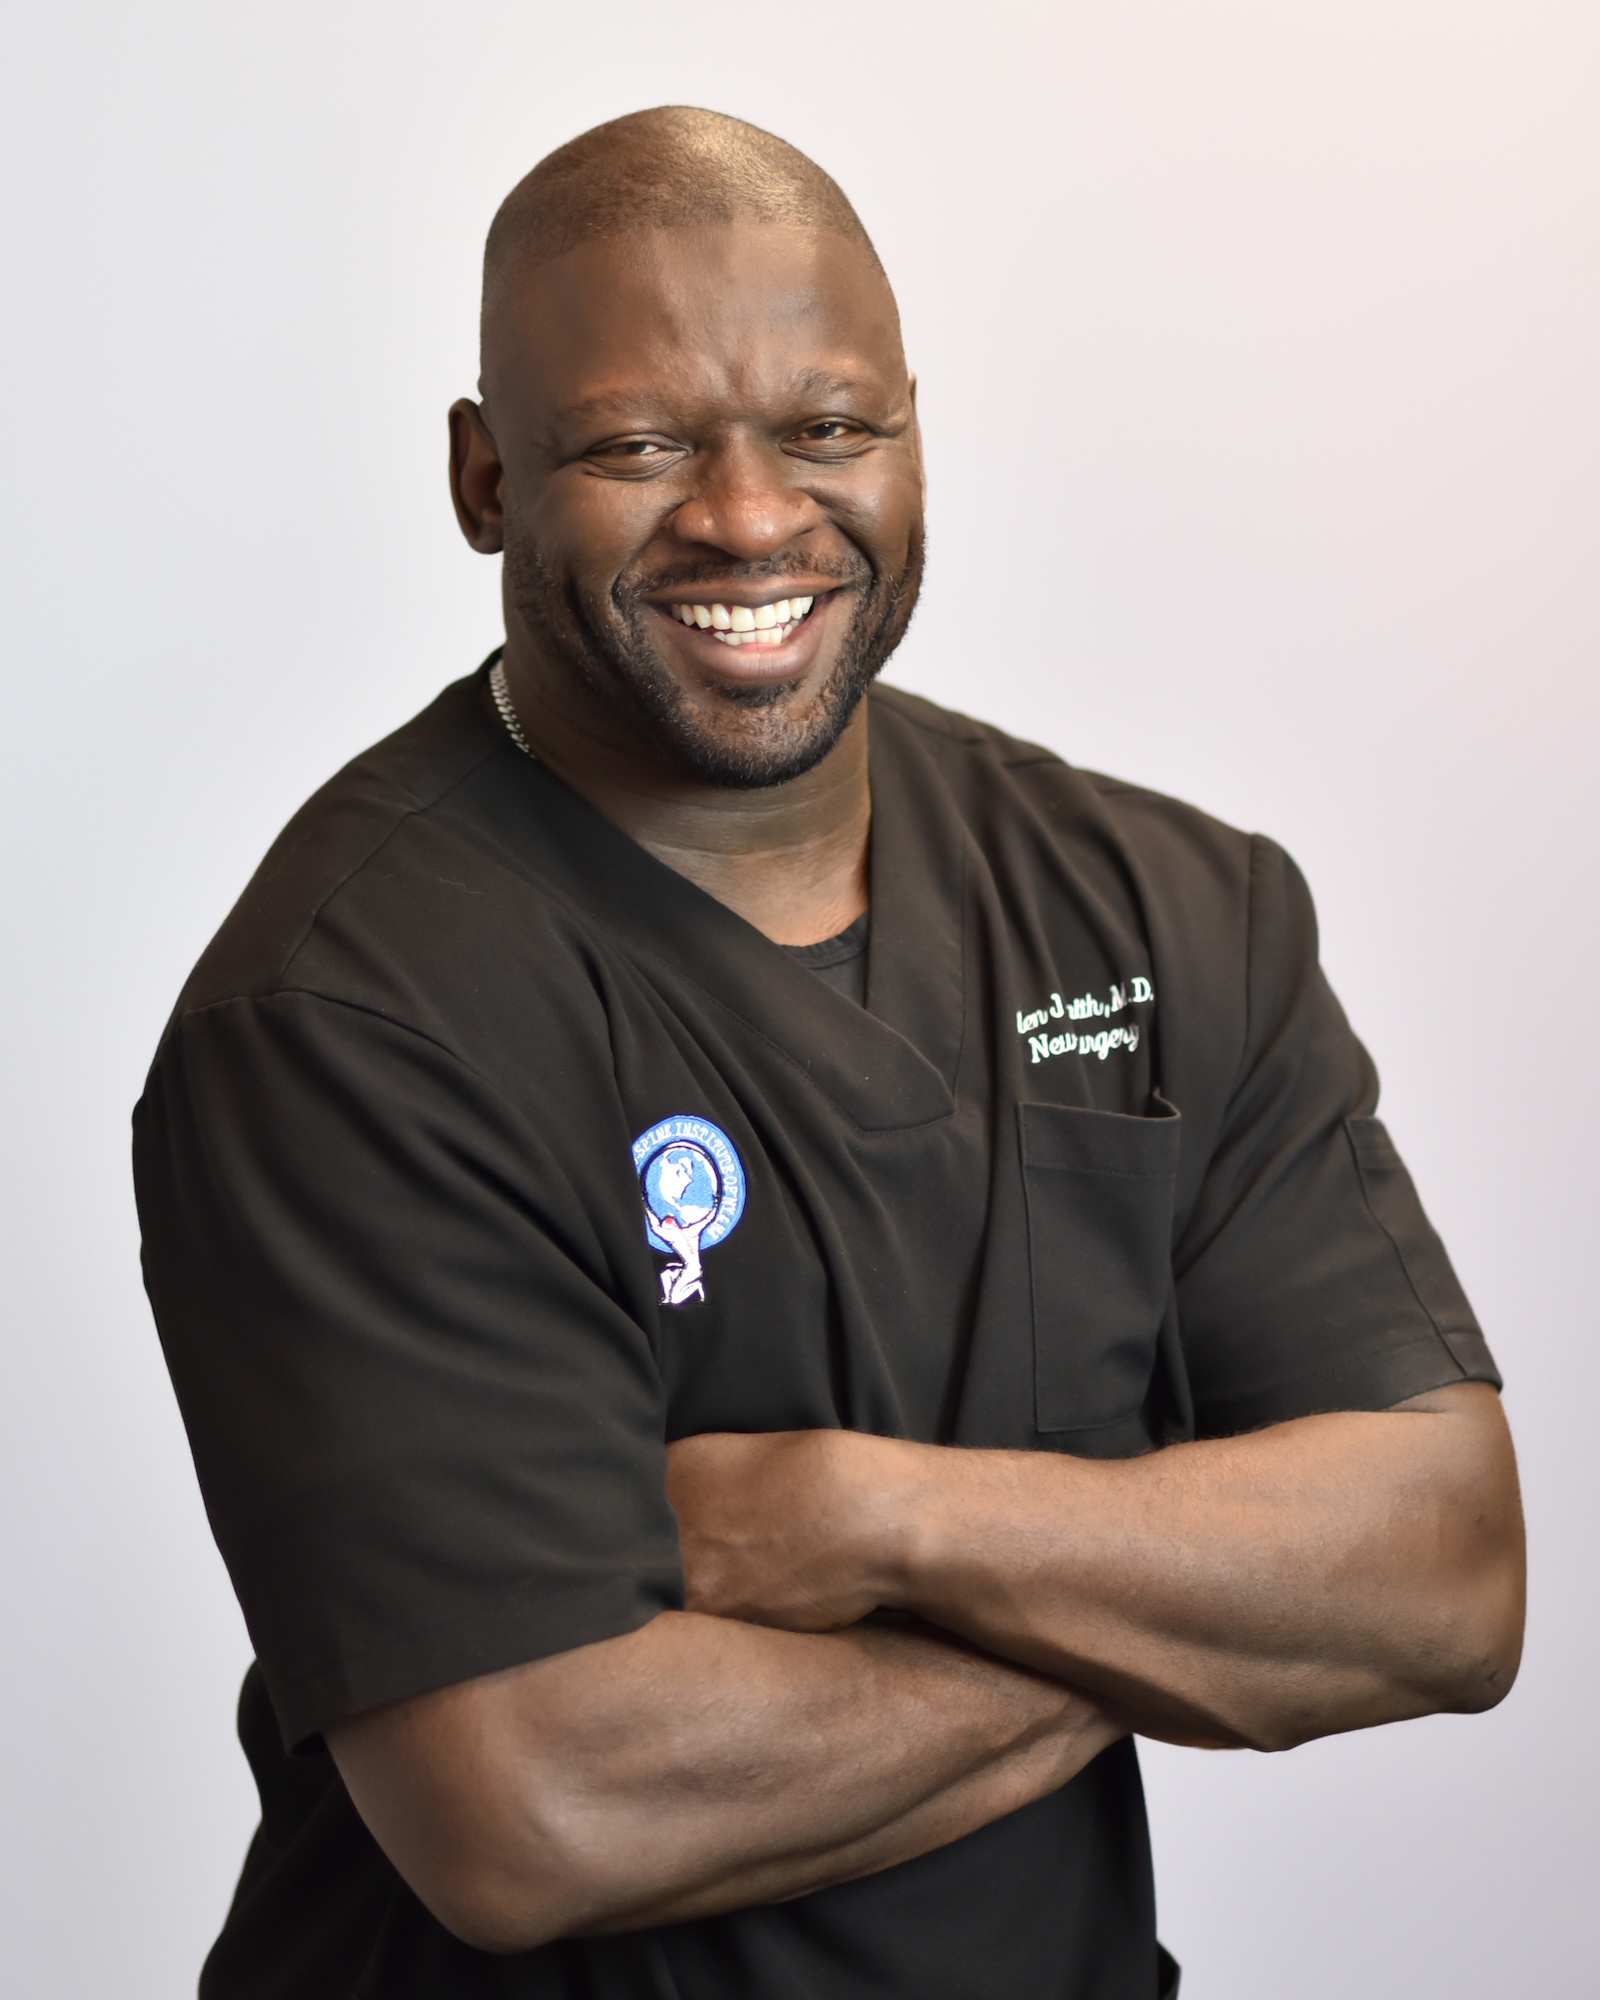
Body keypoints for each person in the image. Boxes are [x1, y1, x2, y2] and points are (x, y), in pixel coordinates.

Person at [133, 106, 1524, 2000]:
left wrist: (871, 1516)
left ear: (914, 433)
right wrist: (1185, 1608)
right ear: (485, 477)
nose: (750, 515)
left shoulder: (1169, 904)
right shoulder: (348, 1017)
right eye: (638, 443)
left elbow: (1446, 1577)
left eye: (828, 428)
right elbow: (539, 1807)